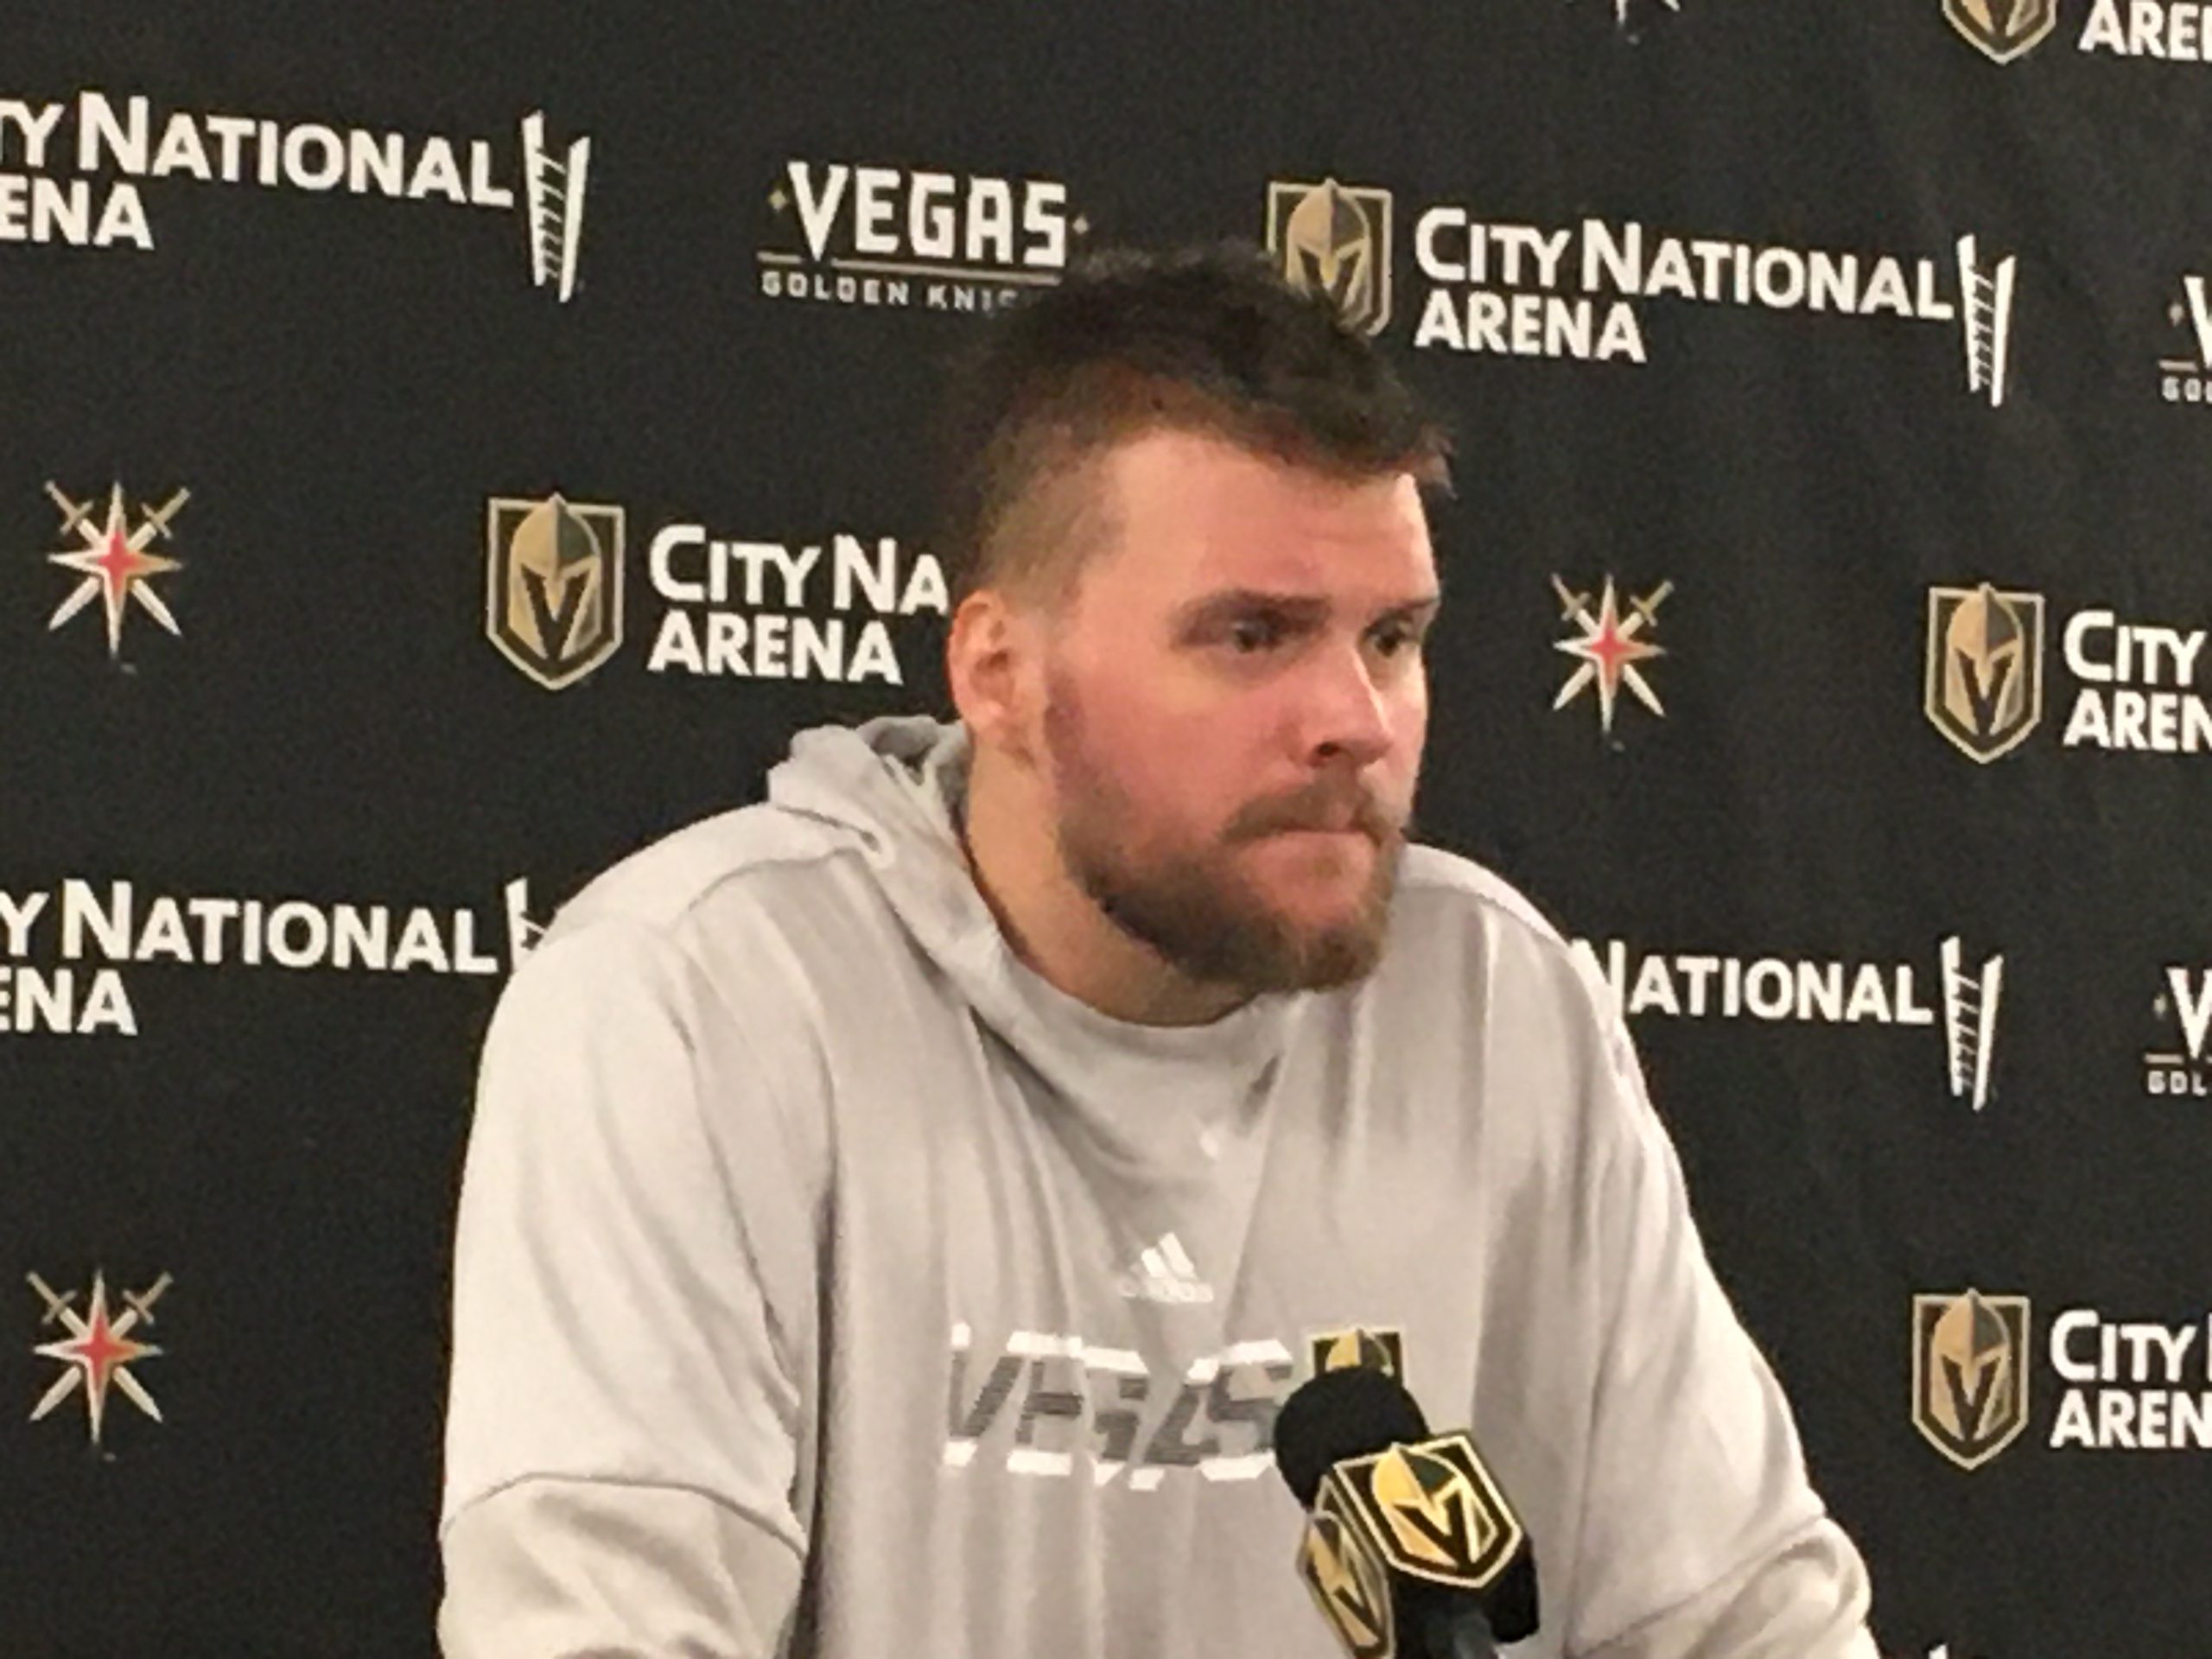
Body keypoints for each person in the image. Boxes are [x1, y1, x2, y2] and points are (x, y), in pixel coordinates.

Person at [437, 242, 1878, 1658]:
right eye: (1253, 635)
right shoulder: (698, 996)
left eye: (1391, 639)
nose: (1355, 721)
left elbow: (1746, 1622)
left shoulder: (1497, 1006)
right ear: (1000, 675)